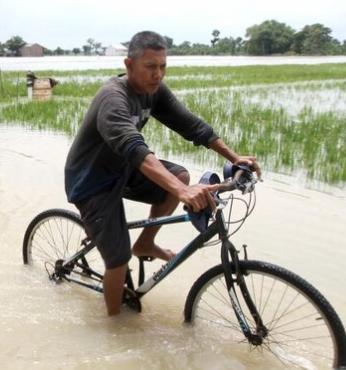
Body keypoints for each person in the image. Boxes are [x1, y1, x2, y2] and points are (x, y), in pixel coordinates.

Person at [64, 31, 261, 316]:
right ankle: (115, 324)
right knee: (118, 261)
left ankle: (145, 242)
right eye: (150, 66)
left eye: (162, 66)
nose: (158, 74)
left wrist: (235, 158)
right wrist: (183, 193)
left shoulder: (154, 92)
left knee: (179, 176)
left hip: (122, 169)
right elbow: (135, 148)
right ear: (129, 65)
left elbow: (192, 126)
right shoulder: (113, 99)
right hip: (92, 181)